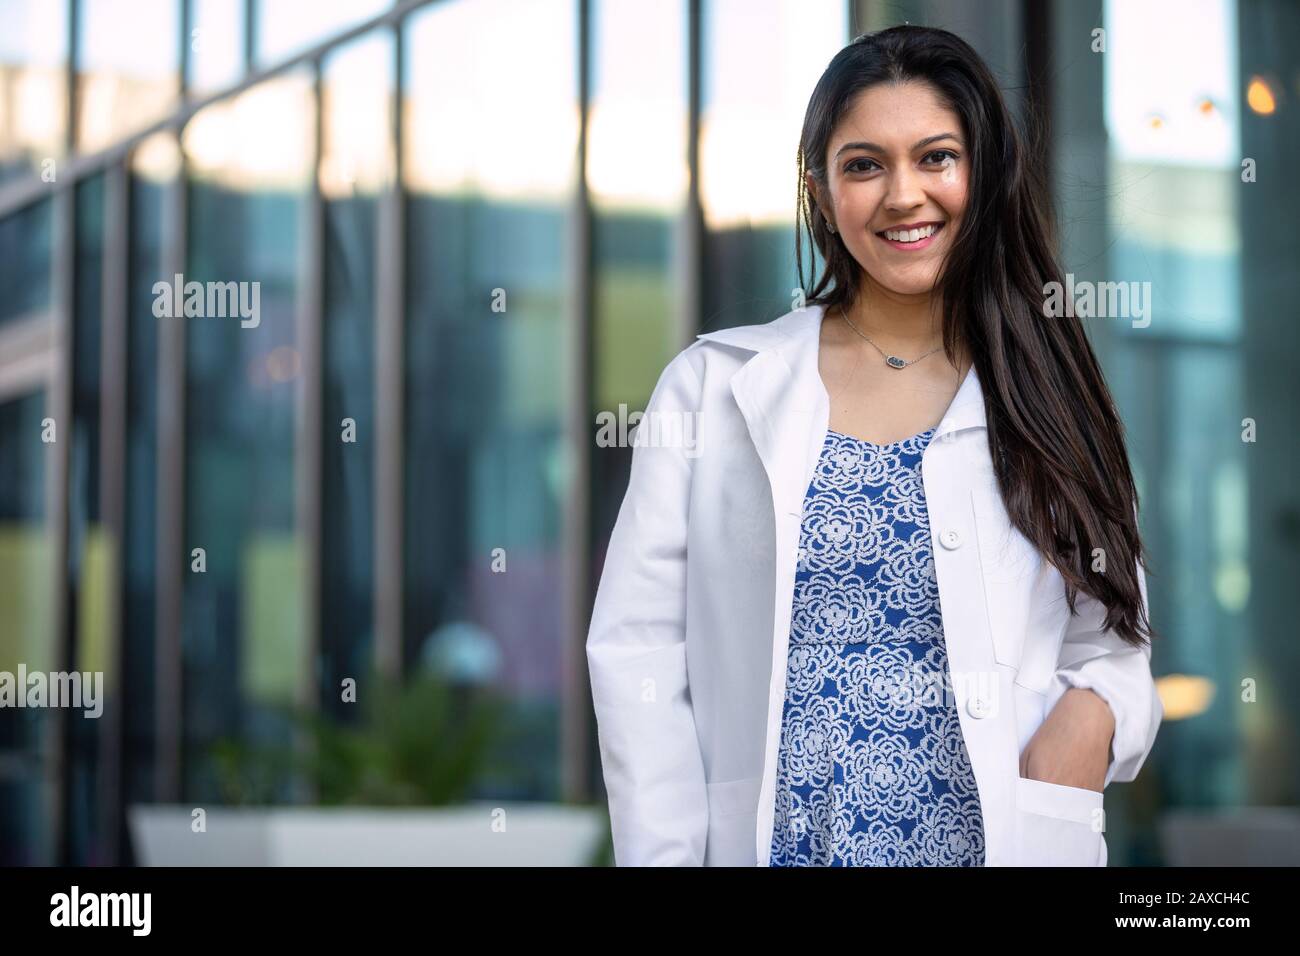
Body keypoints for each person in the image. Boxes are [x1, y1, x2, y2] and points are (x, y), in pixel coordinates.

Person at [586, 24, 1163, 867]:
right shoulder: (713, 388)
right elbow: (638, 654)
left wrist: (1090, 721)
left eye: (936, 157)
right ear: (820, 192)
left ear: (983, 174)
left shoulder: (1046, 393)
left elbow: (1115, 642)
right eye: (864, 164)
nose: (904, 195)